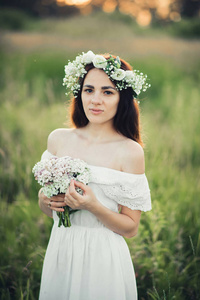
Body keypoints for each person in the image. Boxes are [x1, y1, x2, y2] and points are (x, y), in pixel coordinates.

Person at [38, 50, 151, 300]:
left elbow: (131, 228)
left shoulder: (129, 152)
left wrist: (92, 206)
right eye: (89, 90)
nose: (95, 100)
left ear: (123, 98)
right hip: (62, 250)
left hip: (103, 259)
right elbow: (48, 209)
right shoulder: (58, 139)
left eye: (107, 92)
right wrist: (46, 200)